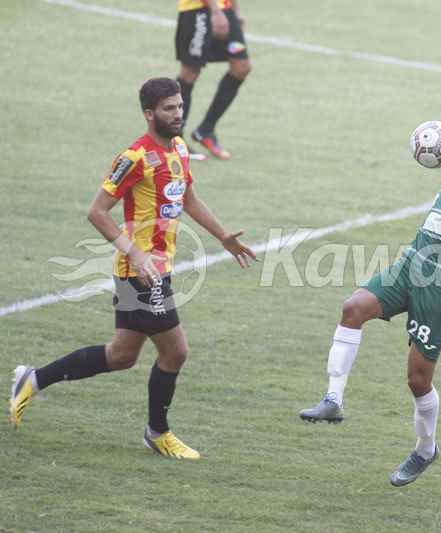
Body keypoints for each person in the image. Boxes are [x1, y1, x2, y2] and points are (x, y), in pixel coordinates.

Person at [10, 77, 259, 459]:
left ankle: (34, 378)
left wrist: (223, 235)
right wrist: (137, 254)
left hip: (156, 268)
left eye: (179, 106)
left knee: (122, 354)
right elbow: (97, 212)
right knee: (176, 352)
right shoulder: (134, 158)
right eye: (169, 109)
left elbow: (188, 196)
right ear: (149, 114)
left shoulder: (178, 147)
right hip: (141, 272)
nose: (178, 114)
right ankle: (157, 433)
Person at [299, 117, 441, 486]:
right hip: (408, 268)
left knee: (417, 381)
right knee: (353, 308)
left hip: (440, 288)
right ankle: (333, 401)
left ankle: (425, 450)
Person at [175, 0, 252, 160]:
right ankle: (175, 139)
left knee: (242, 67)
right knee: (190, 71)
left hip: (224, 8)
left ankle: (205, 131)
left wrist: (236, 9)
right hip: (198, 9)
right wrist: (215, 11)